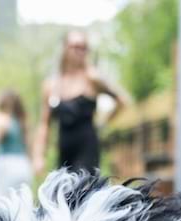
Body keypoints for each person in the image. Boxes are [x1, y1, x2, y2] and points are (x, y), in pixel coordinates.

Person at [32, 30, 131, 175]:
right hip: (64, 151)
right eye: (76, 46)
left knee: (83, 190)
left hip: (87, 149)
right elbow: (44, 124)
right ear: (65, 48)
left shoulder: (92, 78)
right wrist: (38, 156)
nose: (80, 51)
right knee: (63, 193)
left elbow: (122, 100)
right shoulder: (51, 85)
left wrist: (103, 123)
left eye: (84, 47)